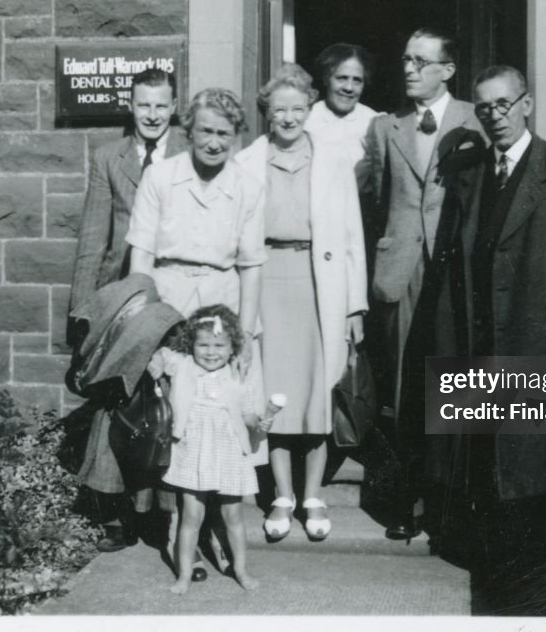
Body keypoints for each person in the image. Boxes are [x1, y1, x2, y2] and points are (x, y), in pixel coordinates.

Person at [444, 64, 546, 566]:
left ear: (526, 104)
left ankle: (534, 574)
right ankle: (492, 557)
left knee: (533, 462)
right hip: (480, 342)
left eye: (504, 104)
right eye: (484, 108)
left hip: (534, 338)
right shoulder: (471, 174)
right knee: (487, 456)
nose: (495, 116)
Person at [125, 87, 267, 575]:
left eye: (224, 134)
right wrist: (144, 321)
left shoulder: (247, 185)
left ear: (236, 136)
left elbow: (251, 266)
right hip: (167, 296)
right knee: (173, 413)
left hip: (222, 302)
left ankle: (219, 532)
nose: (213, 142)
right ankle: (176, 525)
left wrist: (244, 337)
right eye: (205, 130)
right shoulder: (161, 177)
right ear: (189, 130)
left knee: (223, 416)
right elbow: (140, 255)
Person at [234, 63, 368, 541]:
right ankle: (281, 496)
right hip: (268, 280)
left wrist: (354, 306)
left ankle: (314, 494)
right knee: (273, 390)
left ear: (309, 108)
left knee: (318, 390)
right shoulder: (247, 161)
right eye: (278, 110)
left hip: (320, 282)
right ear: (266, 113)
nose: (288, 118)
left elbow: (352, 237)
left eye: (296, 108)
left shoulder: (334, 158)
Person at [361, 28, 485, 540]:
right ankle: (403, 502)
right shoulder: (385, 127)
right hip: (402, 270)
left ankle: (447, 503)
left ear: (447, 70)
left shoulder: (479, 120)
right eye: (405, 59)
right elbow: (371, 197)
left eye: (420, 61)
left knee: (452, 381)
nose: (408, 69)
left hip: (455, 269)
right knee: (402, 388)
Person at [69, 67, 188, 555]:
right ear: (131, 106)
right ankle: (114, 511)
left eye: (161, 105)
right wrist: (82, 313)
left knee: (169, 404)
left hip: (175, 294)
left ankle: (164, 515)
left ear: (174, 107)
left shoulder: (188, 153)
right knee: (117, 403)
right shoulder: (108, 158)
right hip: (124, 299)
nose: (153, 115)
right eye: (144, 105)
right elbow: (93, 238)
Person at [148, 305, 267, 594]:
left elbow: (249, 415)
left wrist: (261, 421)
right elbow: (162, 355)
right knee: (191, 516)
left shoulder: (238, 374)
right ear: (191, 344)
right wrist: (157, 363)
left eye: (219, 345)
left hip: (228, 452)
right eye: (203, 344)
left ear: (232, 348)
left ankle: (240, 569)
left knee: (233, 516)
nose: (211, 352)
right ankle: (184, 576)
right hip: (193, 452)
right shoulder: (184, 364)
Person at [304, 43, 379, 179]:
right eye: (342, 78)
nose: (349, 88)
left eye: (357, 80)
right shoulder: (307, 118)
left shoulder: (375, 122)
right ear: (327, 78)